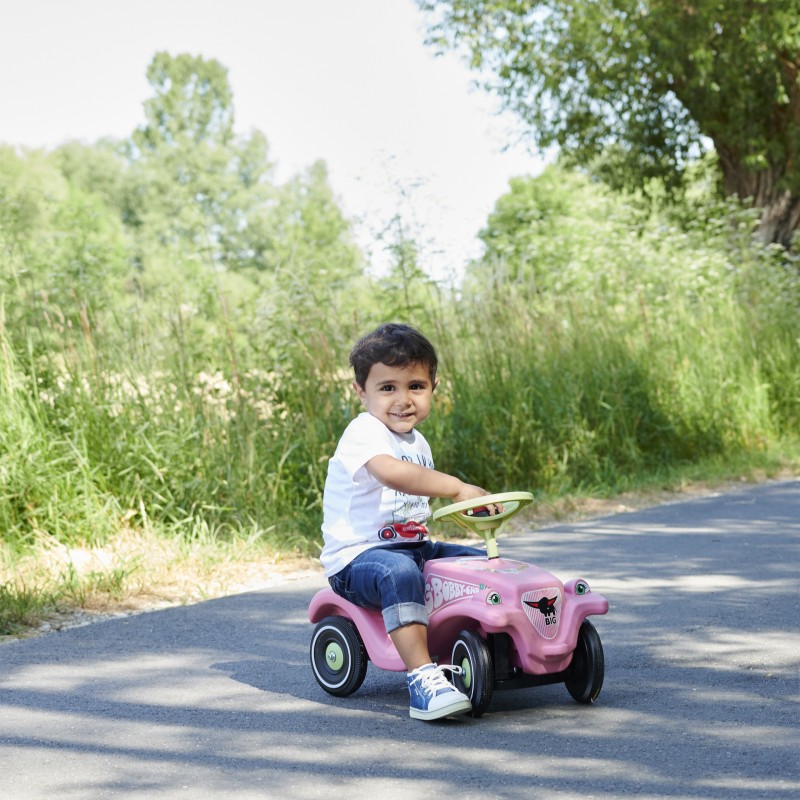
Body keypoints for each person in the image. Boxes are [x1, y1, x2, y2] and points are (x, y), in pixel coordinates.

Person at [320, 323, 500, 721]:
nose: (403, 400)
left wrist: (473, 511)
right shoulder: (364, 431)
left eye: (415, 386)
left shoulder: (417, 442)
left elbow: (413, 506)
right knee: (398, 572)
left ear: (434, 386)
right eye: (388, 388)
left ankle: (490, 656)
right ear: (360, 391)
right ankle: (422, 678)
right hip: (359, 558)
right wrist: (455, 487)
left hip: (414, 546)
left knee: (481, 567)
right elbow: (391, 474)